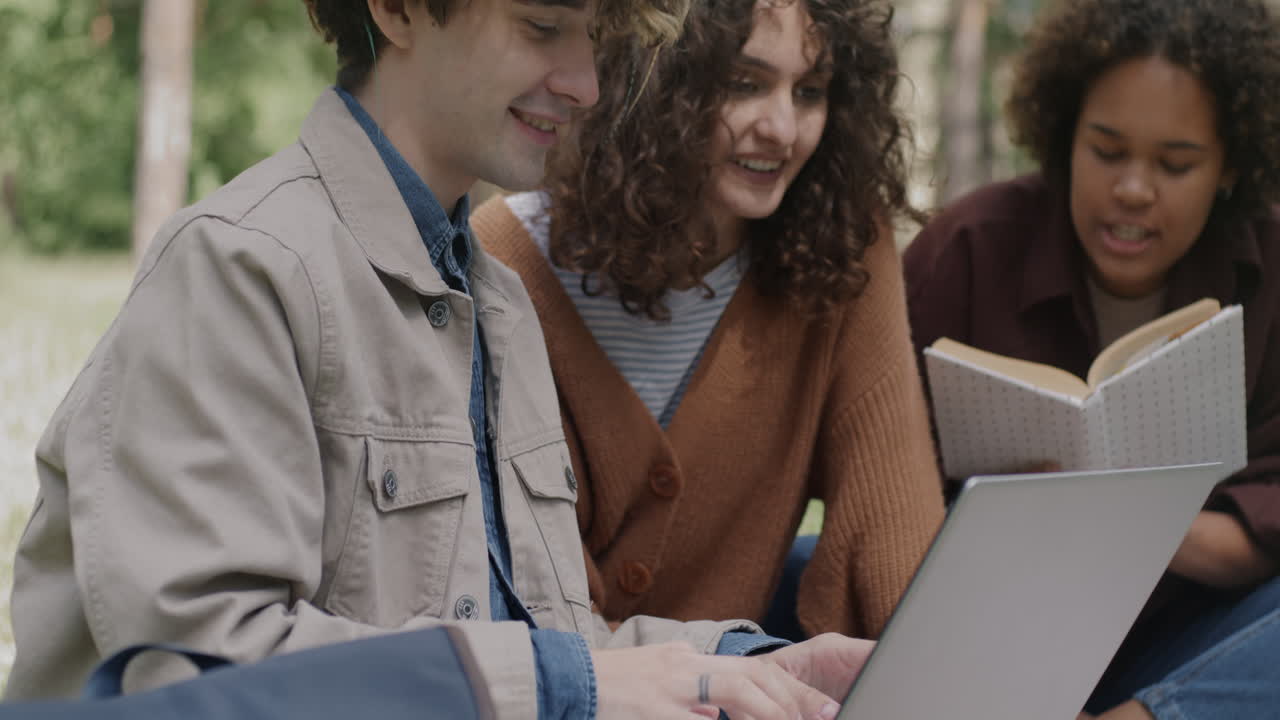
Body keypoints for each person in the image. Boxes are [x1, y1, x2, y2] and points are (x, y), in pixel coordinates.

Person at [5, 1, 877, 717]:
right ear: (398, 10)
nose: (586, 85)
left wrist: (747, 665)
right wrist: (567, 686)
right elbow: (204, 682)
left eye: (596, 40)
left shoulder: (498, 305)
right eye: (544, 27)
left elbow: (543, 645)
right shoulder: (240, 269)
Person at [473, 0, 945, 642]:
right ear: (650, 81)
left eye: (810, 91)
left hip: (750, 686)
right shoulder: (500, 267)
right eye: (743, 84)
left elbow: (896, 539)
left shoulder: (842, 255)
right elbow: (534, 615)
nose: (782, 128)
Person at [903, 0, 1280, 717]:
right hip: (985, 632)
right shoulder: (967, 251)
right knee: (803, 569)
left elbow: (1266, 532)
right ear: (1064, 134)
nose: (1133, 190)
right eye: (1107, 151)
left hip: (1181, 644)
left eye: (1176, 163)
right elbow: (880, 504)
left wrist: (1111, 507)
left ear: (1229, 163)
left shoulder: (1272, 271)